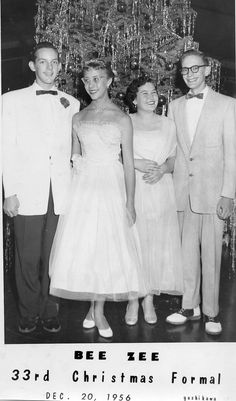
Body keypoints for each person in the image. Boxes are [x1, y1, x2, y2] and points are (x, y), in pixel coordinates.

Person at [49, 59, 147, 338]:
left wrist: (130, 202)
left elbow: (128, 162)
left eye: (97, 79)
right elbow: (74, 156)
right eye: (87, 80)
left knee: (107, 246)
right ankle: (93, 308)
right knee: (88, 247)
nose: (91, 85)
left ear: (109, 81)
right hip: (85, 189)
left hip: (112, 186)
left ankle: (99, 310)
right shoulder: (78, 118)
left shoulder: (121, 118)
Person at [2, 41, 80, 334]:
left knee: (54, 256)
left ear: (60, 65)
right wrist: (9, 192)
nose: (50, 67)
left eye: (55, 62)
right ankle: (28, 311)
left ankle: (50, 309)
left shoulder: (72, 103)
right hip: (26, 191)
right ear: (33, 65)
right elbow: (6, 149)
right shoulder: (10, 101)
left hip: (61, 193)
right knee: (27, 255)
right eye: (43, 62)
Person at [166, 49, 236, 335]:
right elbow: (174, 151)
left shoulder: (227, 105)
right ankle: (189, 305)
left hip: (213, 192)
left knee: (211, 255)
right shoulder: (174, 106)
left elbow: (232, 153)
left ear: (207, 70)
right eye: (185, 70)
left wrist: (228, 194)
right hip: (183, 191)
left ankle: (211, 312)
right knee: (186, 254)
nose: (191, 74)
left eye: (196, 68)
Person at [124, 76, 183, 326]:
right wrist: (135, 163)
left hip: (160, 190)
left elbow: (173, 158)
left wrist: (163, 170)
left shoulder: (168, 124)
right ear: (134, 99)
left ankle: (148, 298)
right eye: (144, 93)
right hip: (135, 189)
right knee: (135, 243)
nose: (151, 97)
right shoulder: (125, 122)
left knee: (157, 244)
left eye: (153, 91)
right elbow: (115, 153)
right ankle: (132, 299)